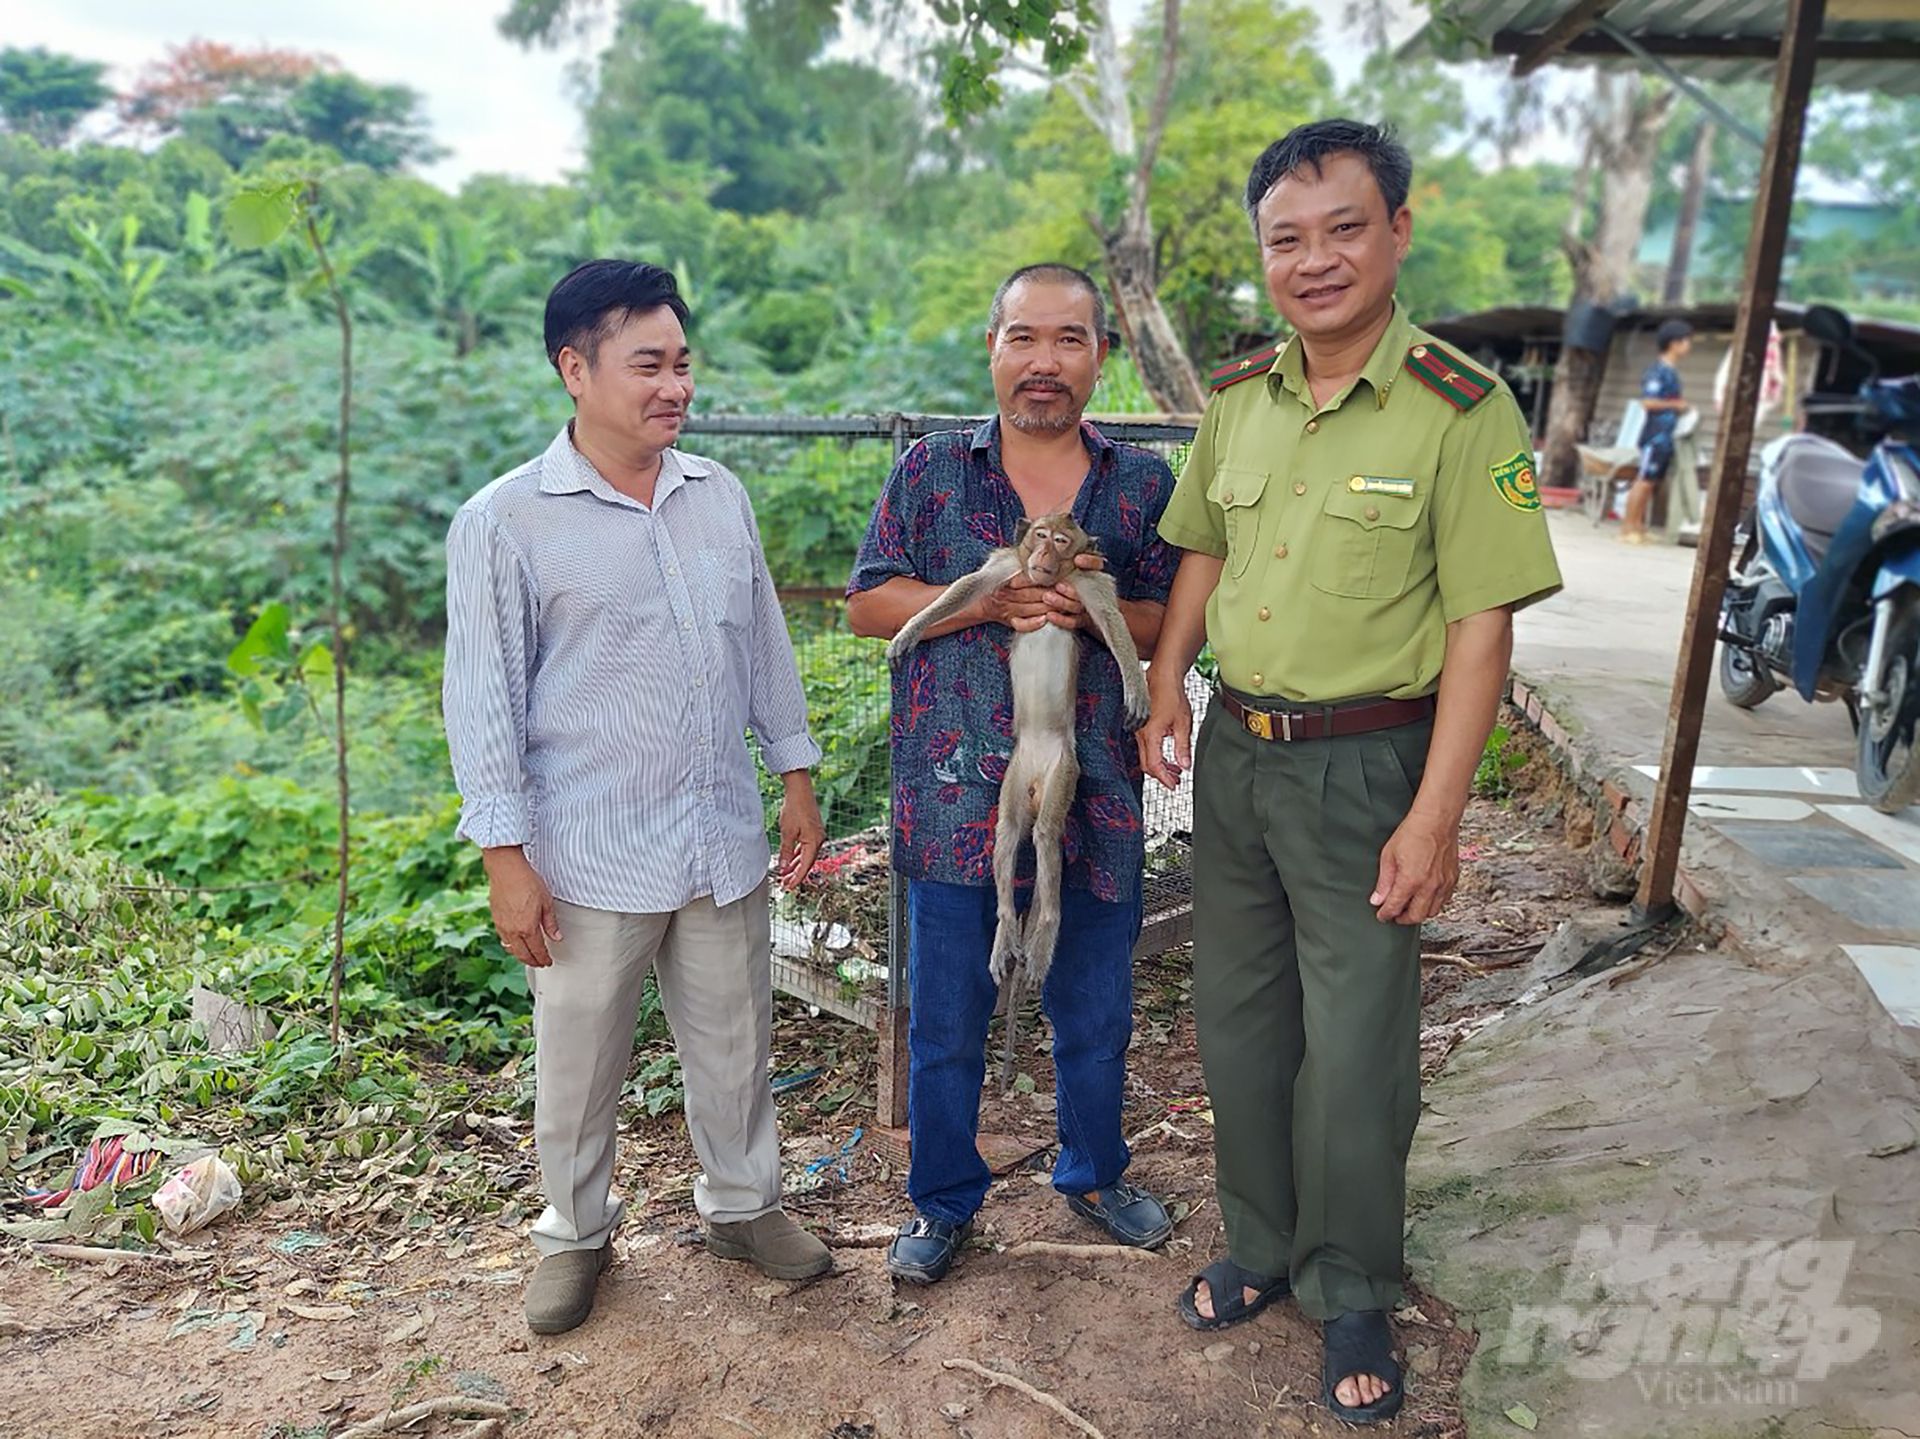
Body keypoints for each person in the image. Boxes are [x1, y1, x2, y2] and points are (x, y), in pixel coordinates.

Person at [1138, 121, 1563, 1425]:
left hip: (1370, 763)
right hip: (1238, 758)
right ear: (1264, 254)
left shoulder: (1457, 406)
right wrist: (1166, 678)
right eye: (1287, 238)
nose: (1313, 259)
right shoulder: (1243, 401)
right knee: (1241, 1024)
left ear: (1396, 233)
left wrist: (1436, 815)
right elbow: (1201, 547)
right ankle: (1264, 1244)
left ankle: (1354, 1279)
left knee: (1360, 1042)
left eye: (1343, 229)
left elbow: (1483, 626)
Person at [442, 259, 831, 1336]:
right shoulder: (506, 520)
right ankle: (574, 1233)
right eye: (647, 364)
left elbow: (763, 640)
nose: (675, 386)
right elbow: (481, 699)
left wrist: (793, 770)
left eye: (683, 363)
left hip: (717, 834)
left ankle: (744, 1206)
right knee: (578, 1059)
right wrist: (503, 854)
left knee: (735, 1036)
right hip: (586, 850)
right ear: (575, 369)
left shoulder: (717, 496)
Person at [846, 263, 1180, 1284]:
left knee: (1095, 1006)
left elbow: (1179, 624)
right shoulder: (932, 470)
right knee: (948, 1016)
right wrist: (982, 600)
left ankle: (1092, 1172)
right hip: (954, 796)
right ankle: (943, 1202)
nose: (1044, 362)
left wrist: (1097, 607)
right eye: (1023, 338)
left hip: (1098, 799)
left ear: (1099, 357)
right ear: (992, 348)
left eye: (1069, 340)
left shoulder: (1140, 485)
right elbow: (868, 605)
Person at [1620, 318, 1694, 544]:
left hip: (1666, 436)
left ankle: (1639, 527)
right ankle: (1627, 528)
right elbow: (1648, 402)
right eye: (1686, 340)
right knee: (1643, 480)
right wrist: (1676, 405)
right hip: (1655, 435)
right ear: (1674, 343)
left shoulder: (1671, 371)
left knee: (1651, 482)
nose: (1689, 346)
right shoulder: (1658, 371)